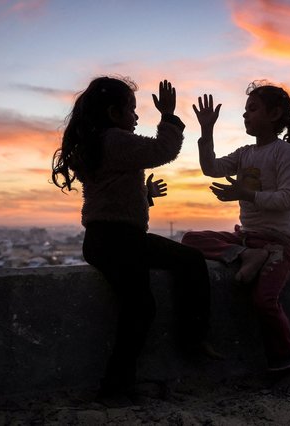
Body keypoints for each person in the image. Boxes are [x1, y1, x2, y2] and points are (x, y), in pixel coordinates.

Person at [51, 76, 219, 405]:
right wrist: (169, 116)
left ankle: (117, 387)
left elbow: (112, 196)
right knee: (190, 262)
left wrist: (145, 195)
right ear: (114, 113)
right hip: (120, 240)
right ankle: (193, 339)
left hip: (104, 240)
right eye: (131, 109)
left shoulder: (98, 143)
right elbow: (163, 150)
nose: (136, 116)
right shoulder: (115, 140)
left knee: (139, 309)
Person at [181, 80, 290, 377]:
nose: (246, 115)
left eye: (252, 109)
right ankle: (247, 255)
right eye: (245, 110)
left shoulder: (284, 153)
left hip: (280, 242)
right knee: (189, 239)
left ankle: (286, 361)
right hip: (248, 239)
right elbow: (211, 168)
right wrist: (207, 130)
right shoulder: (245, 153)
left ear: (274, 115)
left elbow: (288, 198)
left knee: (264, 300)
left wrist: (245, 194)